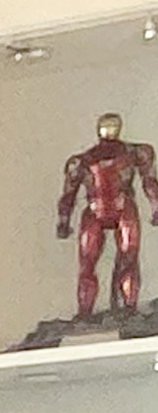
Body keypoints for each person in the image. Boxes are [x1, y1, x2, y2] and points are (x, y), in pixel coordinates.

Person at [59, 112, 158, 321]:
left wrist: (156, 206)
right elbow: (68, 194)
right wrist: (63, 220)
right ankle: (85, 313)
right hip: (96, 209)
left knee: (128, 257)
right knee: (88, 263)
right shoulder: (83, 160)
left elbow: (149, 181)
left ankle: (129, 307)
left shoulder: (135, 152)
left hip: (121, 206)